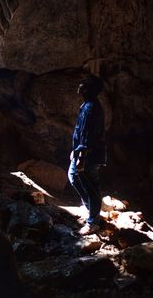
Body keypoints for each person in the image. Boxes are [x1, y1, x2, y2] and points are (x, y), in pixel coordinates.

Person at [68, 74, 106, 235]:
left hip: (88, 155)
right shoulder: (87, 105)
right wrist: (75, 151)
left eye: (84, 84)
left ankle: (93, 223)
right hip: (82, 152)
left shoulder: (91, 108)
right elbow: (81, 132)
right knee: (74, 177)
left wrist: (81, 156)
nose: (80, 85)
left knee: (90, 187)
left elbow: (87, 135)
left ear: (89, 89)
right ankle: (92, 211)